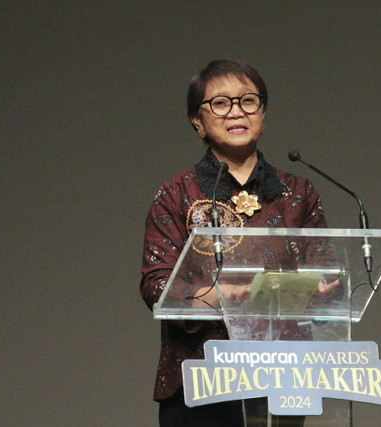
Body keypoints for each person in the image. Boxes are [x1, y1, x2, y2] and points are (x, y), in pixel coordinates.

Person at [140, 59, 329, 426]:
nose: (236, 112)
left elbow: (324, 276)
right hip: (202, 379)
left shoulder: (299, 193)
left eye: (248, 101)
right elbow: (156, 285)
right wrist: (225, 296)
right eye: (221, 103)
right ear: (198, 121)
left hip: (283, 378)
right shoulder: (177, 193)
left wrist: (324, 289)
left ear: (263, 113)